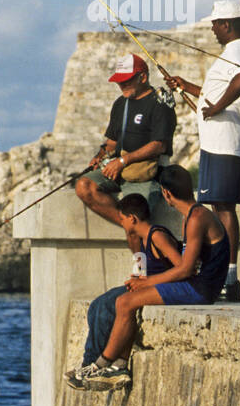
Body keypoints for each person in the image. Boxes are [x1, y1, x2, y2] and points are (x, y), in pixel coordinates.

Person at [67, 165, 228, 391]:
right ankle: (119, 364)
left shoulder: (196, 218)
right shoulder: (193, 215)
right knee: (124, 302)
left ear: (166, 194)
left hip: (200, 289)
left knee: (124, 302)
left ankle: (100, 365)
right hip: (198, 284)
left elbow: (185, 270)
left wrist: (146, 282)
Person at [164, 0, 240, 302]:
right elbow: (220, 89)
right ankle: (225, 277)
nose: (213, 29)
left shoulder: (237, 51)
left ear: (227, 24)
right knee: (221, 206)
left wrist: (216, 108)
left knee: (224, 207)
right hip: (223, 140)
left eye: (215, 24)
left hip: (225, 140)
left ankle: (229, 280)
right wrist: (188, 87)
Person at [65, 193, 180, 386]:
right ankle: (93, 362)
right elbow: (141, 266)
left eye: (122, 220)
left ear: (132, 219)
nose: (122, 224)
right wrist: (136, 278)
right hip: (146, 284)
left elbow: (182, 267)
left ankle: (95, 365)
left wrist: (147, 282)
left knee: (109, 306)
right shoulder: (141, 239)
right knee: (97, 304)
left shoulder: (158, 235)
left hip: (160, 287)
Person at [74, 52, 177, 256]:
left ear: (143, 77)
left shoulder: (159, 103)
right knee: (84, 186)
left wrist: (123, 160)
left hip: (146, 174)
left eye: (126, 81)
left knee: (135, 224)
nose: (121, 86)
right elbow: (112, 141)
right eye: (119, 82)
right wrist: (100, 155)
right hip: (118, 169)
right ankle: (128, 223)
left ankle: (142, 271)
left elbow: (159, 145)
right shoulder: (120, 104)